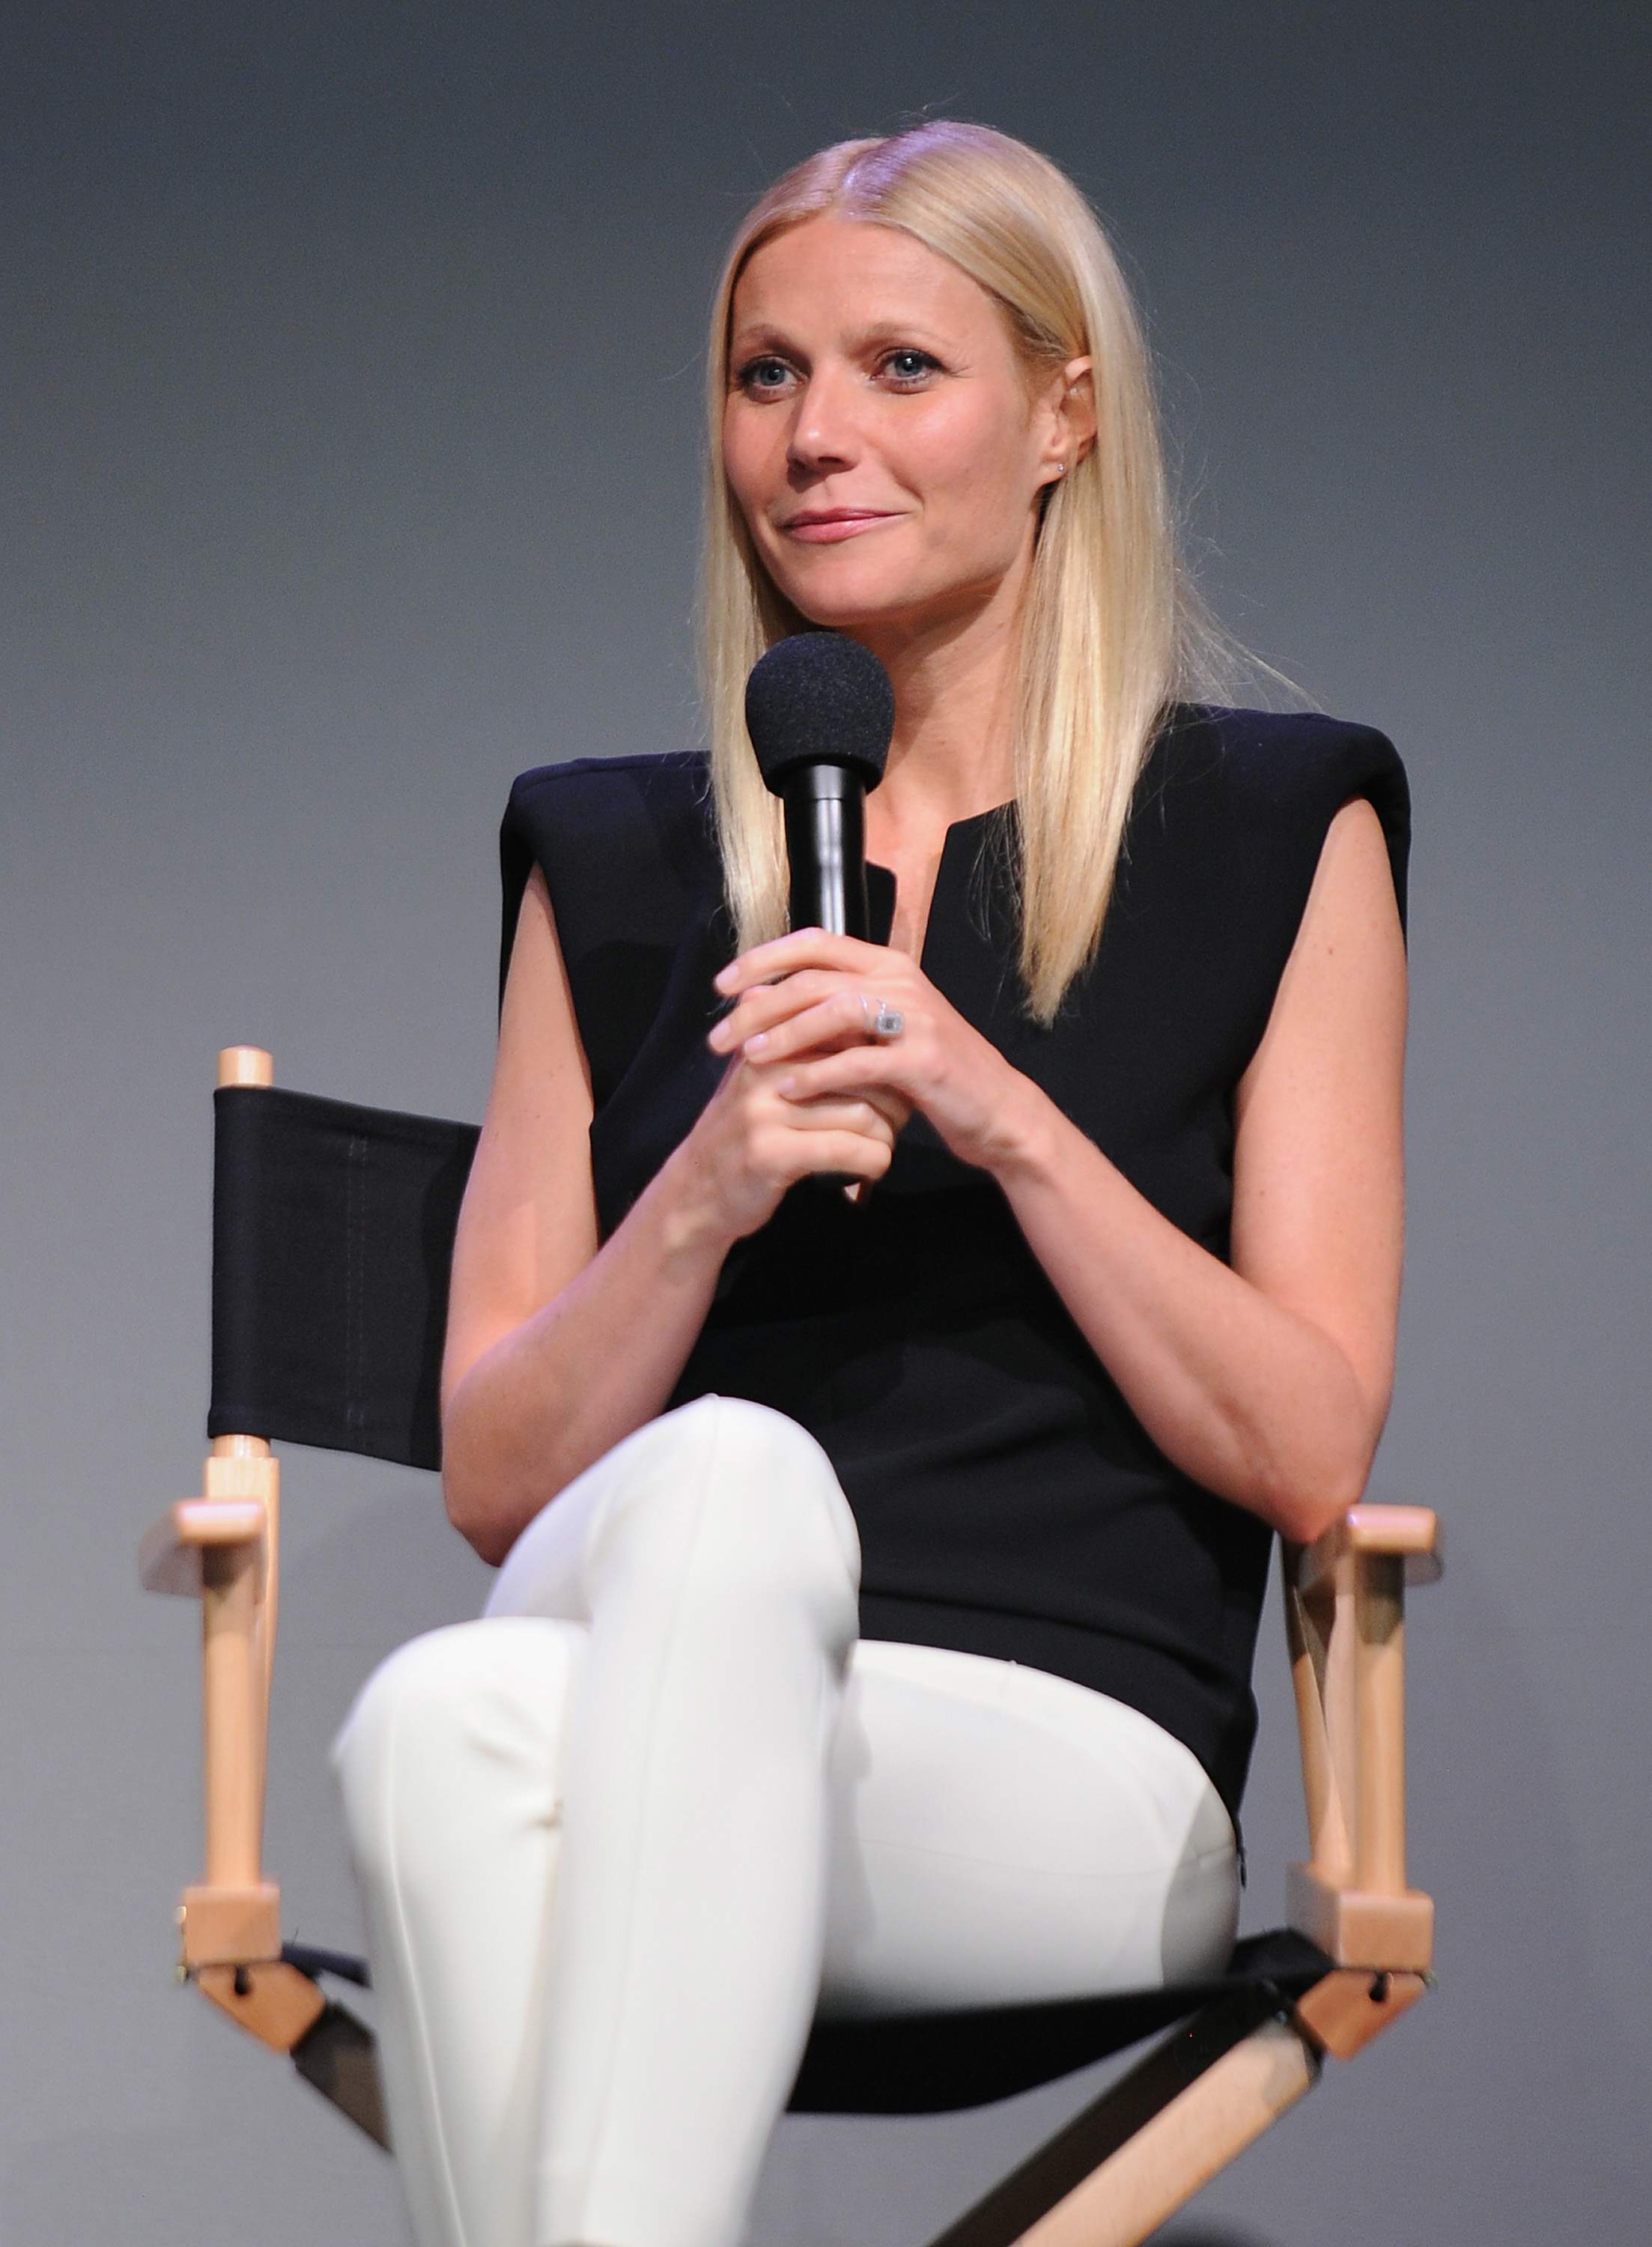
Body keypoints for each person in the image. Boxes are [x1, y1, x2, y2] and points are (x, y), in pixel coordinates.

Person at [332, 120, 1409, 2247]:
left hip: (1054, 1760)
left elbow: (1302, 1449)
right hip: (646, 1635)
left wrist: (1002, 1118)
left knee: (444, 1730)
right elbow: (492, 1472)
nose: (818, 438)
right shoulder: (611, 859)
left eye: (902, 370)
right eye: (766, 376)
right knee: (716, 1487)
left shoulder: (1284, 827)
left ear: (1061, 415)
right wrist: (705, 1193)